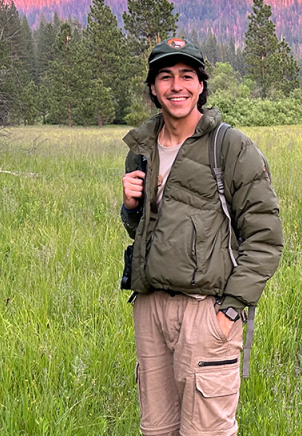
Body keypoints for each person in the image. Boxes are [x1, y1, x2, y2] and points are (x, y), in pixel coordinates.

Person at [120, 38, 283, 436]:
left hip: (206, 312)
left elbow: (265, 235)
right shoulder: (142, 147)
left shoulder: (230, 146)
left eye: (187, 76)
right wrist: (130, 208)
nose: (177, 86)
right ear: (153, 89)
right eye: (166, 77)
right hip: (150, 308)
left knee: (206, 432)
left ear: (200, 86)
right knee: (156, 429)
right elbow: (144, 232)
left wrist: (231, 310)